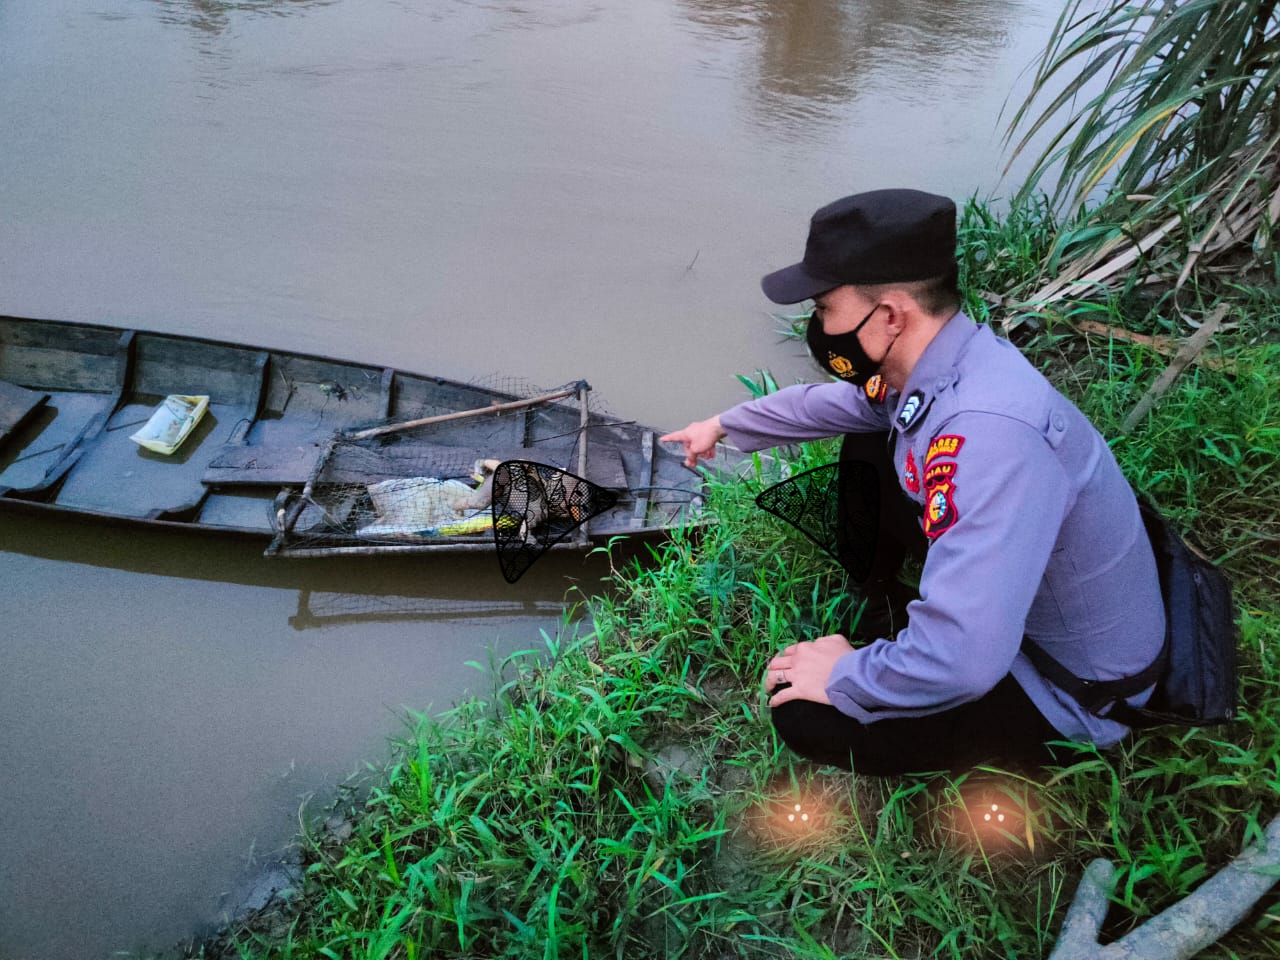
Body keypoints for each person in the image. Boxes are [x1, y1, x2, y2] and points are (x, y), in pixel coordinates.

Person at [661, 188, 1166, 775]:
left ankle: (917, 667)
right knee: (870, 439)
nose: (817, 326)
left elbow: (964, 662)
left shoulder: (990, 436)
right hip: (1027, 604)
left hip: (1072, 683)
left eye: (825, 308)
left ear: (892, 315)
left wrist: (846, 673)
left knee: (802, 712)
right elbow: (836, 404)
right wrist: (722, 425)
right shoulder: (951, 359)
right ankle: (879, 601)